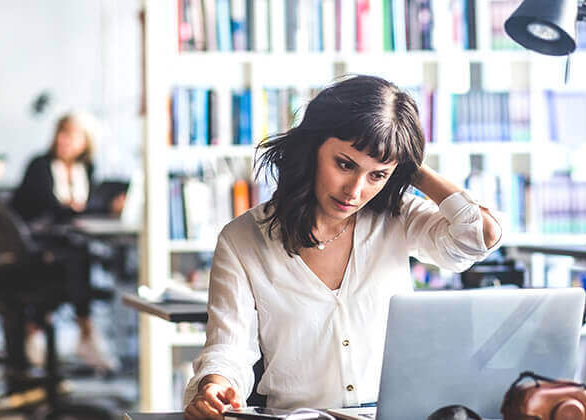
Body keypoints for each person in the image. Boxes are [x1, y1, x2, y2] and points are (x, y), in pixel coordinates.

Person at [183, 75, 502, 420]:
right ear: (312, 149)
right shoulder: (242, 239)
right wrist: (214, 385)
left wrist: (411, 167)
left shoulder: (396, 216)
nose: (355, 190)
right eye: (345, 164)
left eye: (377, 175)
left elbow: (477, 237)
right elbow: (228, 348)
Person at [10, 111, 119, 372]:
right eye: (60, 133)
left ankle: (36, 329)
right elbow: (50, 208)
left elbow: (84, 207)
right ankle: (84, 332)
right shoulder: (39, 166)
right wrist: (82, 208)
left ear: (85, 142)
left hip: (65, 246)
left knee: (74, 257)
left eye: (70, 134)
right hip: (33, 246)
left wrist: (107, 205)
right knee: (74, 260)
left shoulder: (87, 169)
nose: (62, 140)